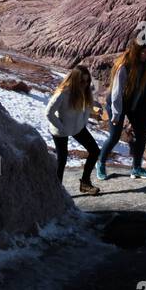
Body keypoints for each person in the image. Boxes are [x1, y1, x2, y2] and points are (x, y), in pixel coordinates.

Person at [96, 22, 146, 181]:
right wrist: (116, 114)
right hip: (117, 103)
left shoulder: (145, 64)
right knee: (114, 137)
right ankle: (100, 163)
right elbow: (116, 93)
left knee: (141, 135)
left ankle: (136, 168)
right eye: (143, 52)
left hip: (132, 103)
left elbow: (141, 87)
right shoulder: (124, 66)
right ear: (136, 51)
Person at [46, 65, 101, 197]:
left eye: (87, 81)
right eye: (82, 81)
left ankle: (85, 184)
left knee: (94, 151)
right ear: (75, 80)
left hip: (77, 127)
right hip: (61, 130)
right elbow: (49, 112)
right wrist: (62, 127)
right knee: (62, 159)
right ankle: (56, 191)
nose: (85, 84)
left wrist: (83, 122)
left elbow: (88, 108)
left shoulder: (86, 91)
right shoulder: (63, 93)